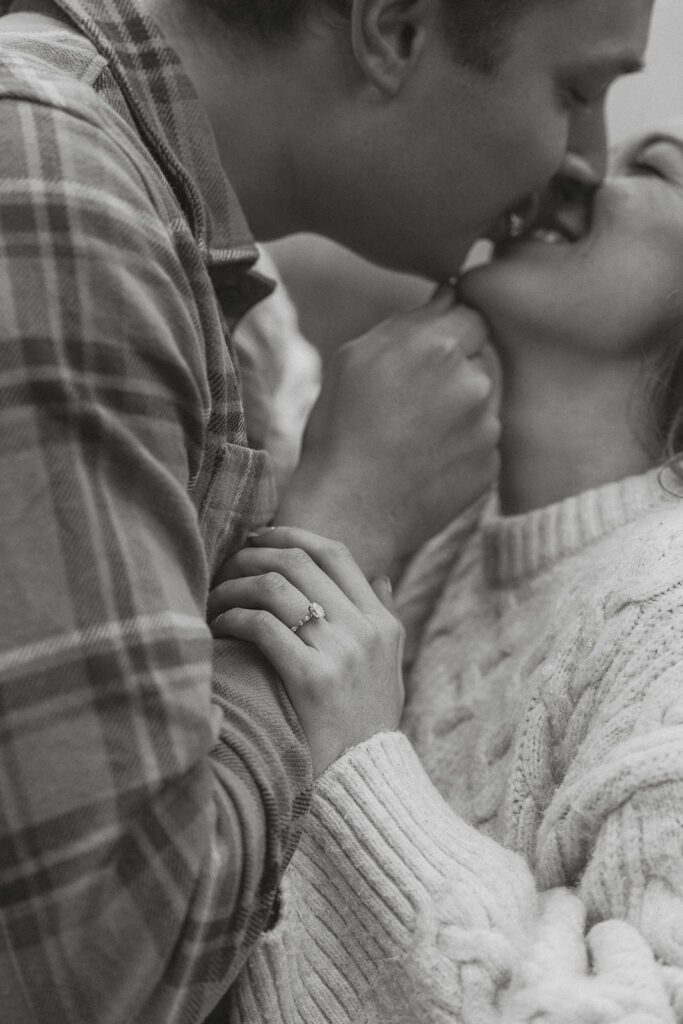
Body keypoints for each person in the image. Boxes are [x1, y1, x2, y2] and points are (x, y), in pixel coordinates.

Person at [0, 0, 653, 1021]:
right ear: (390, 31)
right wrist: (343, 521)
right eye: (572, 91)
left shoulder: (151, 232)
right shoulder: (53, 196)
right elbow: (108, 967)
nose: (585, 159)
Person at [211, 120, 683, 1022]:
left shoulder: (665, 605)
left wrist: (359, 762)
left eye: (652, 170)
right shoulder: (447, 530)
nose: (575, 169)